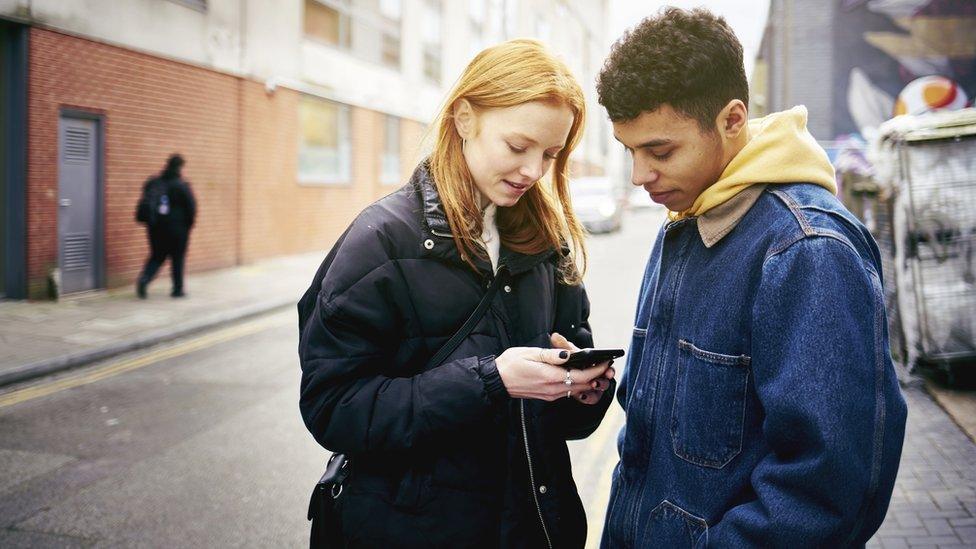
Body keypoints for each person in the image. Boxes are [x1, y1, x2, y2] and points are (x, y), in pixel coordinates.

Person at [595, 8, 907, 548]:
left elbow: (829, 491)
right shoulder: (685, 220)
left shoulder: (808, 250)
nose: (640, 175)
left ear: (733, 119)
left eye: (660, 151)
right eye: (630, 151)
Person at [297, 39, 616, 548]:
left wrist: (581, 393)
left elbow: (563, 421)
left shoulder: (546, 242)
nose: (534, 171)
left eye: (550, 155)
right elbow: (332, 408)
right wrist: (490, 381)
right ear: (464, 118)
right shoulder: (380, 242)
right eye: (518, 147)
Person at [135, 154, 196, 299]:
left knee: (157, 256)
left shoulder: (154, 182)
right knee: (178, 258)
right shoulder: (182, 186)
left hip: (156, 227)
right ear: (180, 167)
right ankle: (178, 290)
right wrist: (188, 225)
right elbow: (191, 208)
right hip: (178, 229)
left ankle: (144, 279)